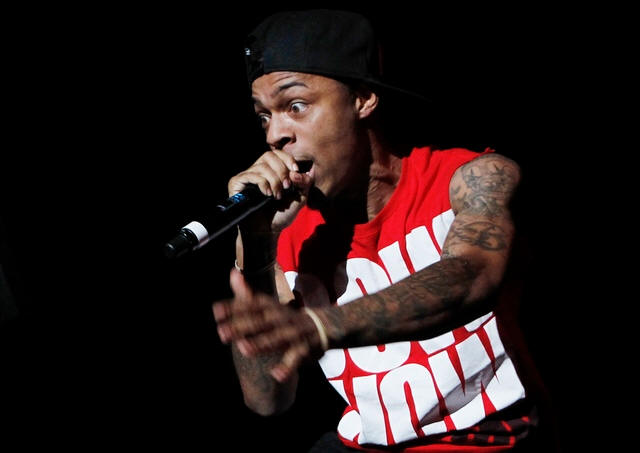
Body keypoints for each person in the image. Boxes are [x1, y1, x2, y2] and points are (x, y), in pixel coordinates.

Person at [213, 9, 548, 452]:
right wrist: (256, 246)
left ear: (363, 98)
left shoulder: (471, 178)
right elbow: (267, 399)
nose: (275, 134)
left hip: (489, 442)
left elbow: (472, 276)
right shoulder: (293, 241)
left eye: (295, 106)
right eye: (263, 116)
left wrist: (321, 326)